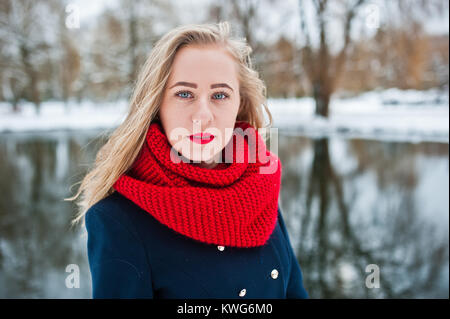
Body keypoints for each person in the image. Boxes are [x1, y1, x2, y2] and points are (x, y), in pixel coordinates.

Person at [67, 21, 308, 299]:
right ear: (157, 103)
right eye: (184, 94)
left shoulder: (260, 186)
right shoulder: (118, 220)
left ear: (239, 103)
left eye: (220, 95)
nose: (202, 115)